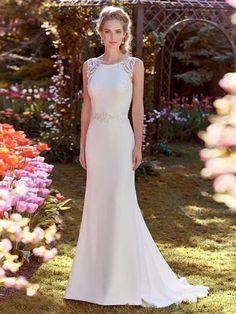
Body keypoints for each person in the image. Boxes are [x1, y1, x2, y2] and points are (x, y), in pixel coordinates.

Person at [64, 5, 209, 308]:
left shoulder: (134, 65)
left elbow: (138, 109)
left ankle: (123, 281)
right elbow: (87, 109)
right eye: (108, 32)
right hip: (96, 141)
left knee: (120, 202)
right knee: (96, 205)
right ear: (100, 33)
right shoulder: (90, 66)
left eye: (118, 32)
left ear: (125, 34)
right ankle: (93, 281)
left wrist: (138, 145)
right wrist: (81, 146)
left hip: (120, 139)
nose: (112, 37)